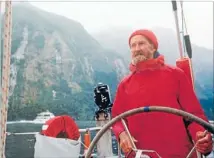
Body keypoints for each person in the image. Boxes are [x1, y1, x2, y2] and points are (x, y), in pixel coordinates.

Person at [111, 29, 213, 158]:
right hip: (140, 155)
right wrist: (121, 134)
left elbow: (194, 115)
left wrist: (201, 137)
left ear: (153, 47)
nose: (136, 49)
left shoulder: (175, 75)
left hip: (179, 154)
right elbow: (117, 118)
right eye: (133, 45)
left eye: (141, 43)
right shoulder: (124, 84)